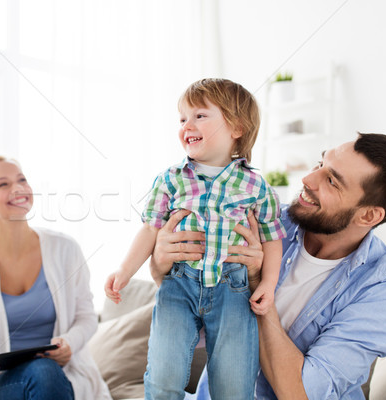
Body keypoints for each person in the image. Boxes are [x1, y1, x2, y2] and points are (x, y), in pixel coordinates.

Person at [150, 133, 386, 399]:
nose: (307, 179)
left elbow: (300, 393)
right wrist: (163, 272)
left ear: (368, 215)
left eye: (331, 181)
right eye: (320, 163)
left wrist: (258, 284)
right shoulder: (262, 222)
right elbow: (200, 327)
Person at [105, 78, 286, 399]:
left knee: (233, 383)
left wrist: (267, 285)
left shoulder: (256, 186)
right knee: (163, 375)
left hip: (234, 290)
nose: (187, 124)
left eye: (200, 115)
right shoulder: (170, 180)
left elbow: (272, 239)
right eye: (182, 118)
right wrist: (124, 272)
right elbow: (150, 229)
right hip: (178, 285)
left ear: (237, 128)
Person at [0, 156, 111, 400]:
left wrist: (70, 344)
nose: (18, 188)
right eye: (3, 184)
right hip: (1, 382)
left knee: (45, 373)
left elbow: (86, 317)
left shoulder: (65, 249)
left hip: (63, 375)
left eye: (21, 180)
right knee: (43, 373)